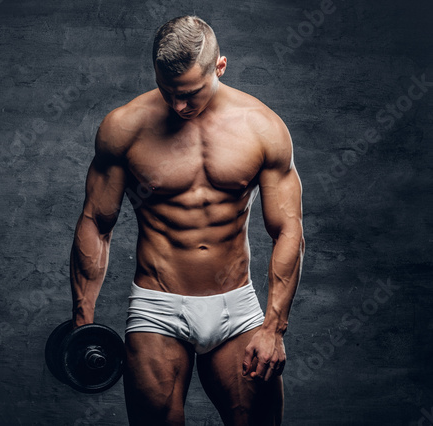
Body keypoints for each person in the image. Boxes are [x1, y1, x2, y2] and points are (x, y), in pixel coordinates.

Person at [69, 15, 305, 426]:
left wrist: (274, 329)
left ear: (220, 67)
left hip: (237, 308)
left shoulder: (262, 128)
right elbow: (96, 223)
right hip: (157, 306)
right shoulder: (125, 127)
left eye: (191, 93)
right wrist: (82, 322)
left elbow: (288, 230)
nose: (178, 106)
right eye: (168, 91)